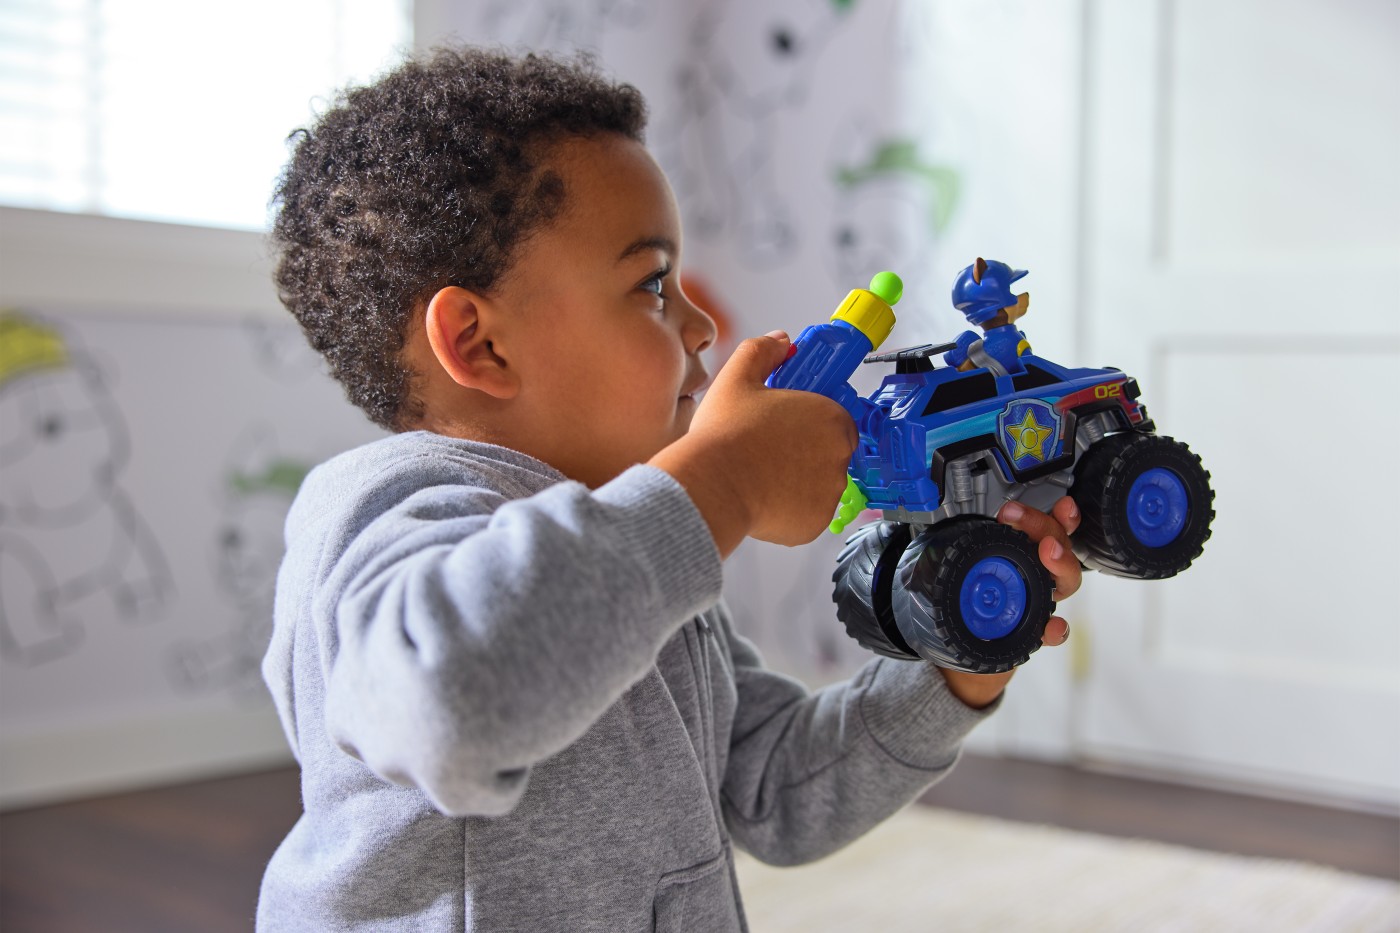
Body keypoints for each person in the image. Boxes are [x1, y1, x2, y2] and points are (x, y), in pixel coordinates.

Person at [256, 47, 1082, 932]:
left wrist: (953, 670)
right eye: (652, 283)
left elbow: (777, 790)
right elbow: (446, 703)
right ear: (479, 343)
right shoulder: (383, 506)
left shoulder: (639, 546)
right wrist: (724, 478)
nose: (704, 324)